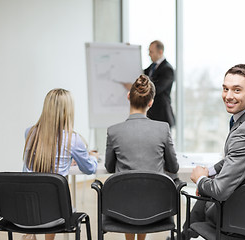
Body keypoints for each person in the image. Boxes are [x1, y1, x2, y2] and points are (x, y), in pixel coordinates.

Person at [182, 64, 245, 239]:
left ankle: (183, 236)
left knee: (201, 195)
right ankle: (183, 236)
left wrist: (200, 180)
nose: (228, 96)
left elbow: (220, 191)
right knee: (205, 189)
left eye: (236, 90)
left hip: (244, 216)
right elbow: (235, 157)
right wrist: (209, 172)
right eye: (225, 89)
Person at [105, 74, 179, 240]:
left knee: (131, 194)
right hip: (156, 207)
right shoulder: (163, 128)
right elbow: (174, 167)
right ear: (151, 102)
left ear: (128, 96)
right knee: (144, 194)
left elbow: (110, 168)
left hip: (122, 207)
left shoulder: (113, 131)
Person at [22, 88, 98, 240]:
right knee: (53, 202)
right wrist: (92, 157)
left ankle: (32, 233)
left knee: (44, 196)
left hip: (27, 210)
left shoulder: (29, 133)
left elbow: (42, 159)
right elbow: (90, 169)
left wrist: (67, 159)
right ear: (67, 111)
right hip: (57, 214)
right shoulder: (73, 140)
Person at [144, 40, 175, 128]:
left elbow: (157, 89)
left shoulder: (167, 69)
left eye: (151, 52)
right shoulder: (150, 68)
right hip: (151, 115)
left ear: (160, 52)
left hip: (162, 116)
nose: (149, 54)